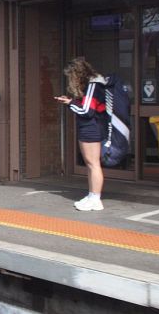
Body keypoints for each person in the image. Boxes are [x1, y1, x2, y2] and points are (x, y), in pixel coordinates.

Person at [55, 58, 107, 211]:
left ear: (78, 73)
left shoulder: (93, 84)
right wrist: (71, 101)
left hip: (91, 128)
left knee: (93, 164)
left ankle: (96, 198)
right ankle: (92, 196)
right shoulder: (94, 84)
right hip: (90, 127)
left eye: (72, 75)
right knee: (91, 164)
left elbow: (87, 111)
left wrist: (70, 103)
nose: (71, 79)